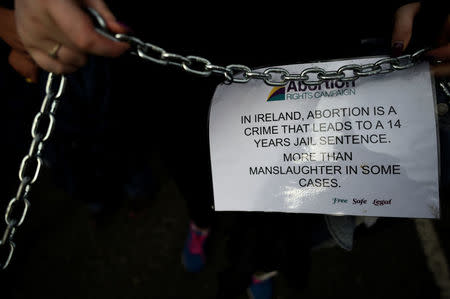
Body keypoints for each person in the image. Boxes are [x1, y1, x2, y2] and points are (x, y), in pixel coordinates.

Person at [9, 0, 450, 298]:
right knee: (194, 162)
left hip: (313, 43)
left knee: (301, 186)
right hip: (173, 51)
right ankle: (203, 219)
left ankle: (264, 263)